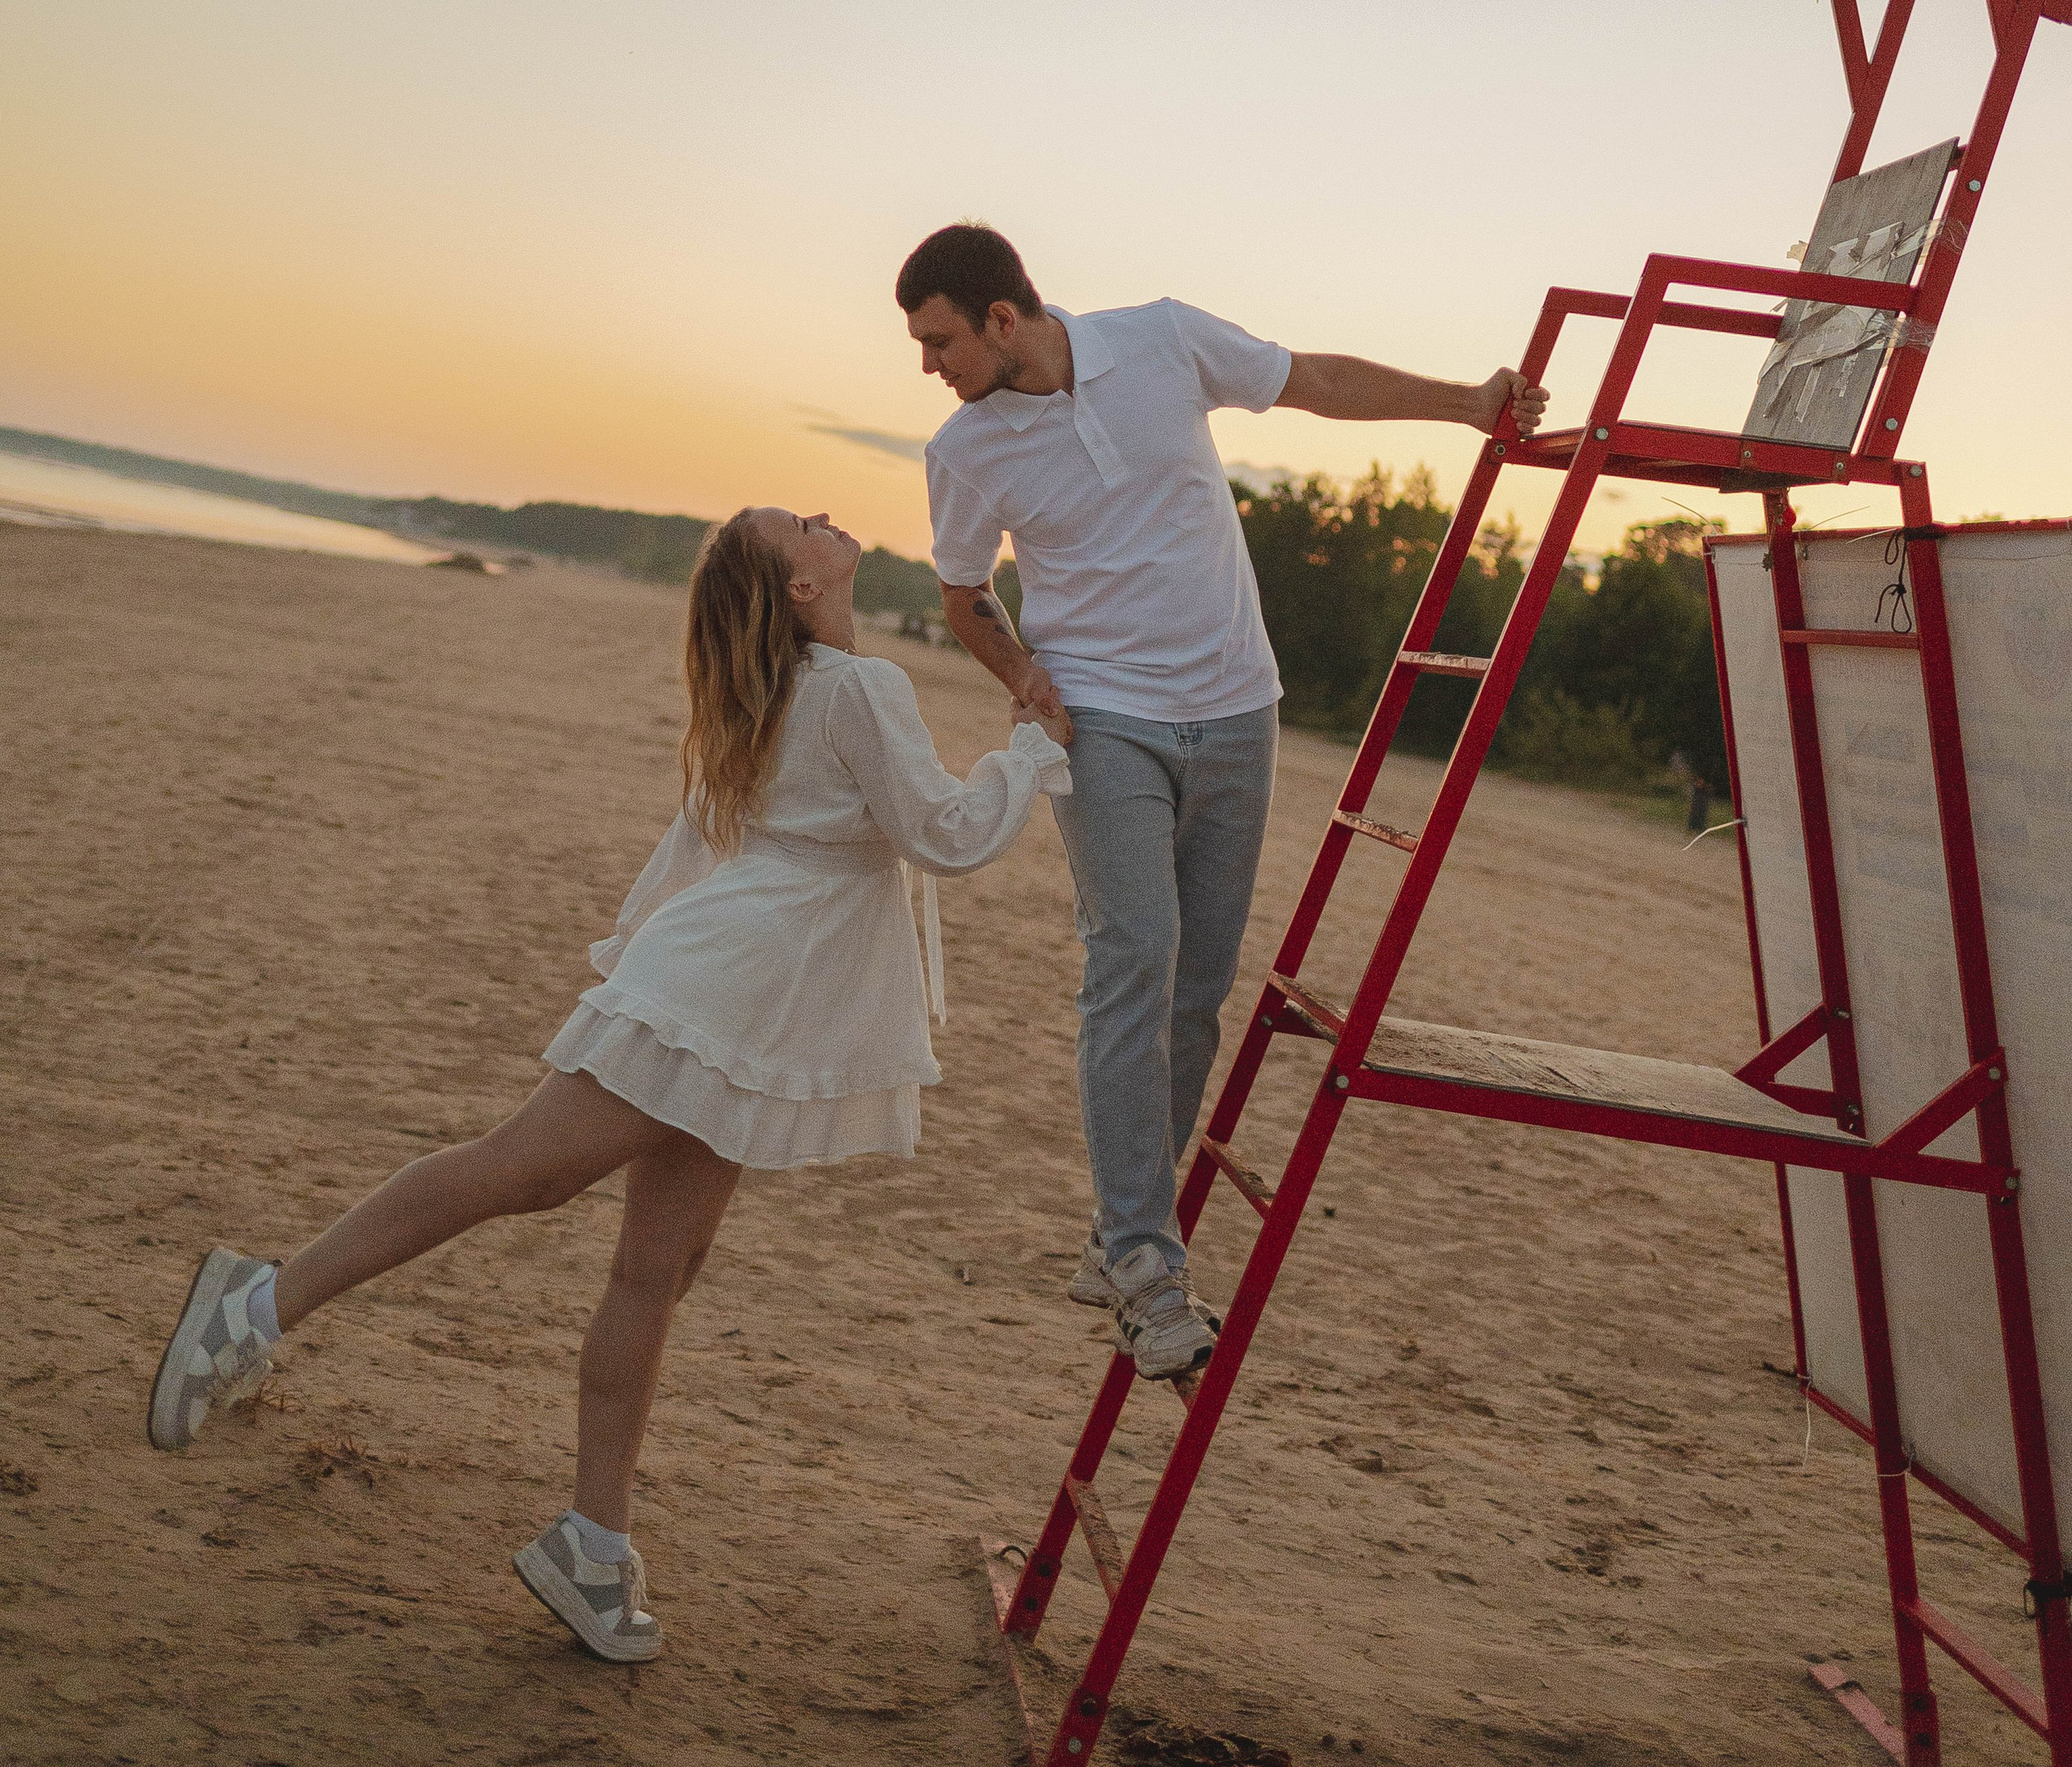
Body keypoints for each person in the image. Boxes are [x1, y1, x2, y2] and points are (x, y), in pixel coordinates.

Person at [144, 505, 1070, 1663]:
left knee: (660, 1267)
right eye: (803, 525)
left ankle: (592, 1540)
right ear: (795, 586)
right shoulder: (855, 688)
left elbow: (725, 842)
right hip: (728, 989)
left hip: (749, 994)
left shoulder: (798, 688)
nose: (829, 520)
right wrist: (1036, 744)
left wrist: (646, 955)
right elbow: (941, 833)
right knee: (517, 1174)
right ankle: (254, 1308)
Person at [896, 223, 1548, 1383]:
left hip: (1242, 711)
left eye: (940, 339)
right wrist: (1022, 675)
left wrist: (1469, 401)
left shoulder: (1163, 341)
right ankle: (1149, 1266)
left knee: (1197, 992)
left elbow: (1316, 382)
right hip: (1103, 724)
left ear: (1003, 318)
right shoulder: (964, 449)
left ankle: (1118, 1238)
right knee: (1132, 959)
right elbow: (962, 593)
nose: (929, 365)